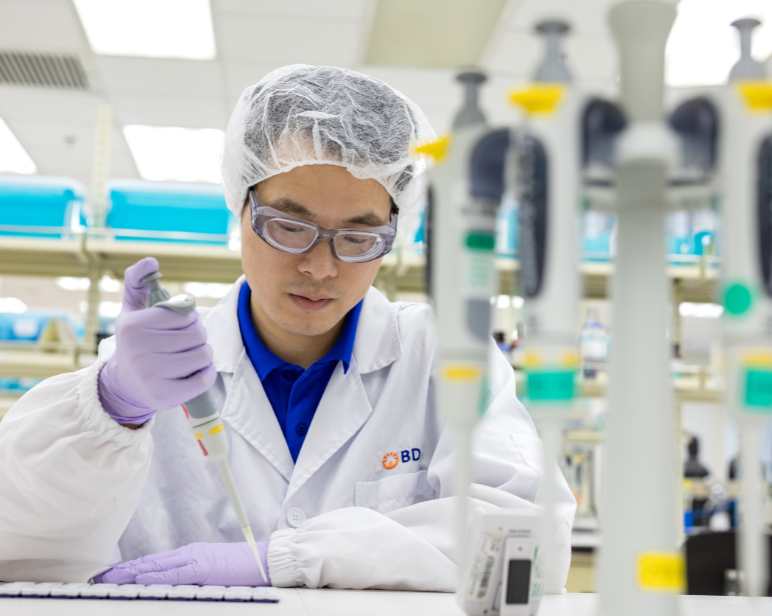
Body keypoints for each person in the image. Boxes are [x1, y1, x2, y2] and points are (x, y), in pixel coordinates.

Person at [0, 65, 575, 591]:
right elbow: (20, 546)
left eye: (357, 238)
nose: (320, 267)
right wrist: (111, 405)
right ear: (241, 208)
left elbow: (529, 547)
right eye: (289, 225)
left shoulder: (442, 356)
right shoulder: (151, 370)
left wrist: (297, 557)